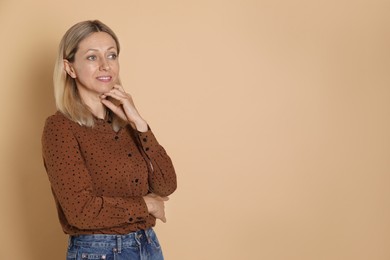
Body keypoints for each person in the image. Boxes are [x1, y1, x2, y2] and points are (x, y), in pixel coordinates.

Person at [42, 20, 177, 260]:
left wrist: (139, 123)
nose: (105, 66)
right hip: (100, 251)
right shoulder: (60, 128)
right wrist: (147, 205)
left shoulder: (126, 124)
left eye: (111, 55)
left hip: (148, 245)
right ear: (70, 68)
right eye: (92, 58)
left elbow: (166, 185)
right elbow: (80, 211)